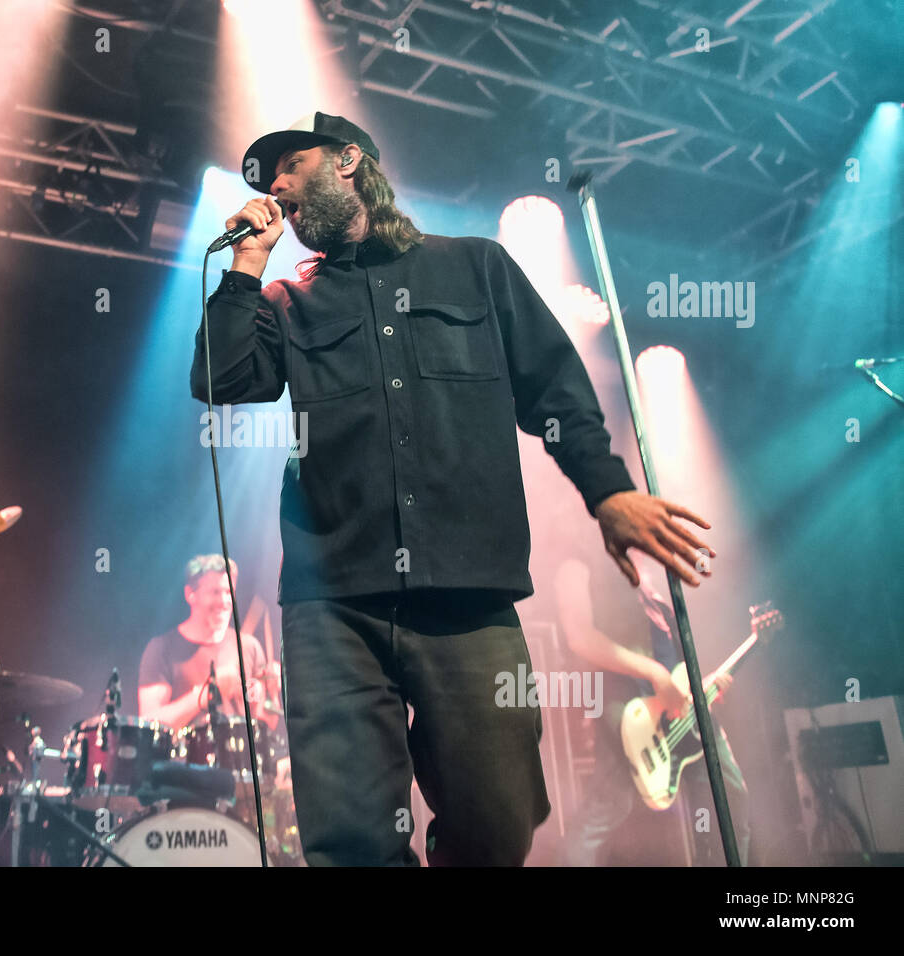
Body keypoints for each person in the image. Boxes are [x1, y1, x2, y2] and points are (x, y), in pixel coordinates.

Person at [192, 111, 717, 865]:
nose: (274, 186)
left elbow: (555, 391)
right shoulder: (287, 301)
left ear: (348, 163)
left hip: (468, 593)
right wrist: (246, 266)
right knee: (351, 841)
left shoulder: (477, 267)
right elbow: (219, 378)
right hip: (334, 602)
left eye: (289, 166)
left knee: (499, 822)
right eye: (266, 179)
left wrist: (607, 492)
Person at [556, 549, 750, 866]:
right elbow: (580, 638)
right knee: (605, 810)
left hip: (685, 710)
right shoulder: (579, 561)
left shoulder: (655, 570)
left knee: (729, 803)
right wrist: (655, 675)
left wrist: (701, 685)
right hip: (632, 712)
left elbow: (672, 653)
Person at [137, 554, 272, 730]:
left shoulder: (249, 647)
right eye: (215, 592)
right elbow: (148, 724)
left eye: (229, 592)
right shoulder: (162, 648)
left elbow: (267, 726)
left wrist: (262, 702)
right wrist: (206, 693)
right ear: (190, 594)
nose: (224, 601)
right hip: (183, 757)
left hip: (239, 756)